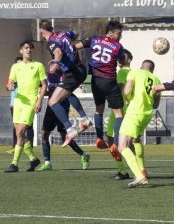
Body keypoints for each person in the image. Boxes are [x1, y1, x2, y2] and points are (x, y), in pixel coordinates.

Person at [75, 20, 126, 160]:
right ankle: (116, 144)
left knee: (99, 110)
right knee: (119, 114)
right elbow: (122, 61)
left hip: (95, 80)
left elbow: (75, 47)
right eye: (118, 33)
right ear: (110, 33)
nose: (120, 36)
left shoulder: (94, 39)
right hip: (109, 81)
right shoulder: (117, 46)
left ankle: (98, 138)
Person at [39, 20, 91, 147]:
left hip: (72, 73)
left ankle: (70, 129)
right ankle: (84, 119)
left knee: (52, 102)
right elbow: (75, 32)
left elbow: (58, 52)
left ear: (41, 32)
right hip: (81, 69)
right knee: (66, 94)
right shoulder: (62, 33)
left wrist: (56, 63)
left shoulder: (51, 42)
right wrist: (70, 45)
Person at [37, 62, 90, 171]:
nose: (51, 65)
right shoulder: (46, 76)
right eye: (51, 64)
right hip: (51, 108)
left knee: (64, 136)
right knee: (44, 134)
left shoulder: (66, 76)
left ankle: (83, 155)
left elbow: (70, 94)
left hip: (62, 109)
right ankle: (47, 163)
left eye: (54, 63)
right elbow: (43, 87)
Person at [4, 41, 47, 173]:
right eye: (26, 48)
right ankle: (33, 159)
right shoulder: (15, 67)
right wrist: (9, 86)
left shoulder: (38, 65)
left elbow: (44, 85)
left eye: (30, 48)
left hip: (31, 102)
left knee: (21, 131)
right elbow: (9, 83)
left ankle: (14, 164)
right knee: (19, 133)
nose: (29, 50)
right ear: (21, 51)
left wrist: (39, 101)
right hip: (18, 102)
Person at [118, 60, 161, 188]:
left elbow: (127, 90)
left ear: (141, 66)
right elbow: (156, 104)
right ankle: (142, 171)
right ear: (152, 70)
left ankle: (140, 176)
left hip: (134, 112)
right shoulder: (156, 80)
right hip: (146, 115)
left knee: (122, 146)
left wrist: (127, 100)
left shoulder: (134, 72)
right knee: (135, 141)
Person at [106, 49, 133, 180]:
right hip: (123, 110)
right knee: (127, 142)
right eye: (119, 56)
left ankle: (124, 170)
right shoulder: (133, 73)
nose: (120, 58)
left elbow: (119, 89)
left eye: (124, 56)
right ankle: (134, 169)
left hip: (120, 110)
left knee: (116, 142)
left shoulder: (123, 72)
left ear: (129, 59)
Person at [6, 57, 34, 154]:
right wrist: (10, 87)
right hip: (14, 104)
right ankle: (15, 146)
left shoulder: (28, 76)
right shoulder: (12, 77)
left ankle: (30, 147)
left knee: (28, 128)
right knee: (17, 129)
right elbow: (8, 86)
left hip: (27, 104)